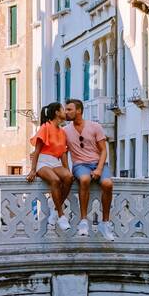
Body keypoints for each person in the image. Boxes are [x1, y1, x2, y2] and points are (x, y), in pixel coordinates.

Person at [63, 99, 115, 241]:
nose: (66, 112)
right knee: (85, 180)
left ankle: (105, 223)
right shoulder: (65, 131)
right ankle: (83, 221)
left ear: (78, 110)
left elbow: (104, 150)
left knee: (108, 184)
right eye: (65, 109)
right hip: (80, 165)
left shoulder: (95, 126)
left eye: (69, 109)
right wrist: (67, 170)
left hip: (98, 164)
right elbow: (62, 152)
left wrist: (99, 169)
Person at [27, 103, 72, 232]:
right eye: (63, 109)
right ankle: (61, 215)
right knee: (55, 180)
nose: (65, 112)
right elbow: (37, 151)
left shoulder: (62, 132)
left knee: (68, 177)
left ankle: (54, 211)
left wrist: (66, 169)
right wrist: (33, 170)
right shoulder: (45, 127)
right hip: (43, 161)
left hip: (55, 162)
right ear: (57, 113)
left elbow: (63, 154)